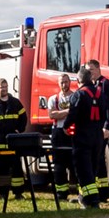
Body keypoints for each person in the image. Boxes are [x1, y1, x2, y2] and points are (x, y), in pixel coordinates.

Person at [63, 65, 104, 209]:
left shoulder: (78, 95)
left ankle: (90, 201)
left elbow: (72, 115)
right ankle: (84, 197)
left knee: (83, 169)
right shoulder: (100, 93)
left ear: (78, 80)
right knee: (93, 168)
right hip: (98, 136)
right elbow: (105, 113)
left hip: (82, 137)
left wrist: (65, 127)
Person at [85, 59, 109, 202]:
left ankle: (103, 193)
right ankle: (94, 192)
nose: (89, 72)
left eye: (91, 69)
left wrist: (107, 127)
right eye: (87, 70)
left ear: (98, 69)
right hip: (91, 128)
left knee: (99, 159)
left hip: (102, 127)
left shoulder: (106, 84)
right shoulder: (89, 86)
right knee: (93, 159)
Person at [46, 73, 74, 202]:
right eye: (62, 82)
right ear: (58, 84)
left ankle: (80, 192)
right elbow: (52, 115)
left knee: (75, 164)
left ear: (70, 82)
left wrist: (60, 114)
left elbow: (76, 114)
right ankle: (61, 193)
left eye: (66, 82)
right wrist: (68, 112)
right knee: (59, 166)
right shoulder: (53, 99)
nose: (64, 84)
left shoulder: (75, 96)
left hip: (73, 133)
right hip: (58, 133)